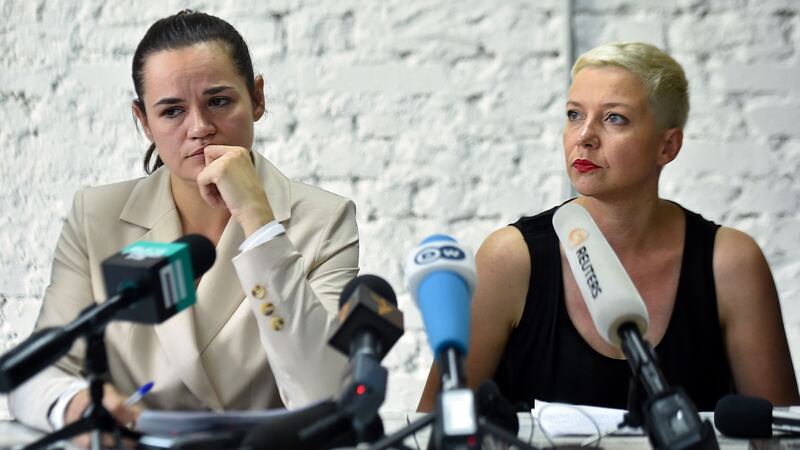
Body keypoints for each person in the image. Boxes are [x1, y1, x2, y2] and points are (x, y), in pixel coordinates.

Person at [9, 10, 358, 433]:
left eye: (218, 101)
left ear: (258, 98)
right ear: (144, 122)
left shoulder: (324, 220)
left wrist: (259, 223)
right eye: (172, 111)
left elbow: (324, 392)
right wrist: (80, 406)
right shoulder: (96, 217)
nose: (200, 128)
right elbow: (35, 374)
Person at [418, 41, 799, 412]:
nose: (584, 136)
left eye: (614, 117)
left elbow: (781, 436)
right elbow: (432, 428)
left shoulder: (730, 263)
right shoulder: (510, 258)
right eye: (574, 115)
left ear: (667, 147)